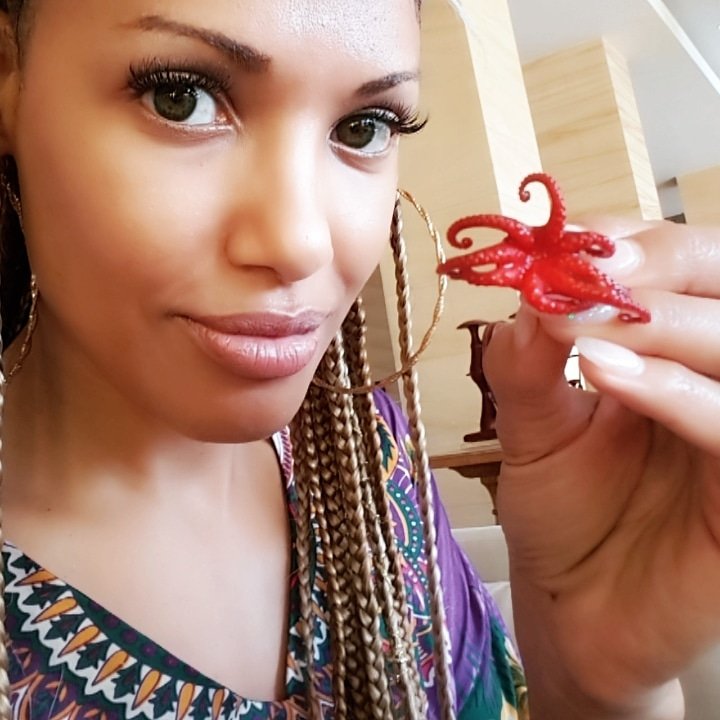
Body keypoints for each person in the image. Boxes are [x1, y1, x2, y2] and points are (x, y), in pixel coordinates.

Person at [0, 0, 715, 718]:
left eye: (363, 127)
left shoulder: (371, 460)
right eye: (180, 97)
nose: (300, 243)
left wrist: (596, 684)